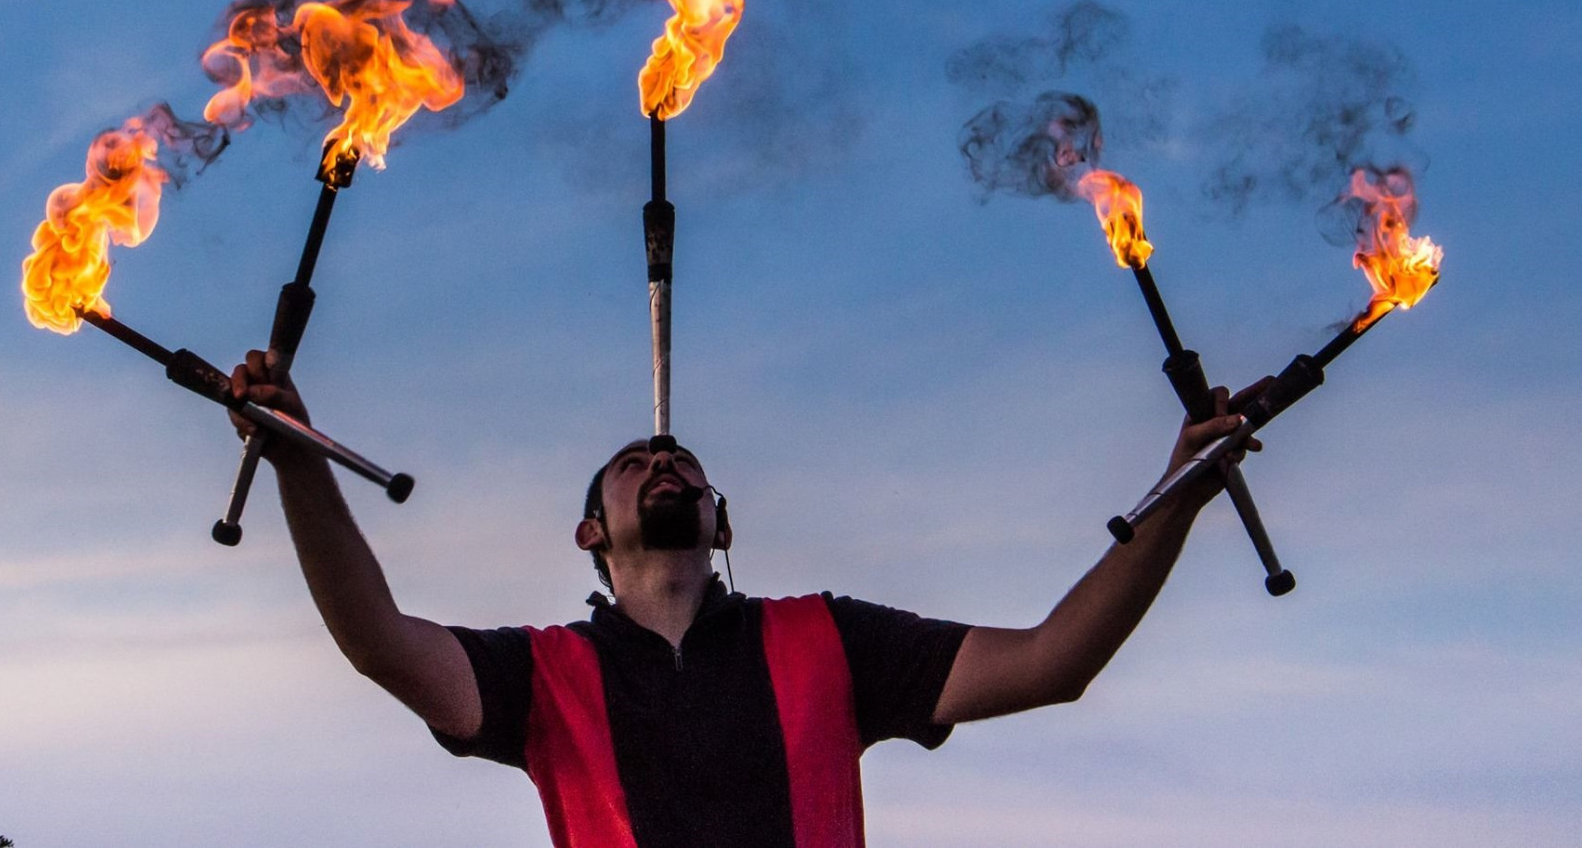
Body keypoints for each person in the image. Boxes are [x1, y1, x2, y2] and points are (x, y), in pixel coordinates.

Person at [228, 349, 1265, 848]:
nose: (664, 461)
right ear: (591, 531)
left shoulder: (829, 637)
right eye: (635, 462)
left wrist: (1176, 491)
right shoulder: (544, 673)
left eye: (680, 458)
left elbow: (1052, 659)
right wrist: (300, 463)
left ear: (721, 521)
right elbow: (377, 638)